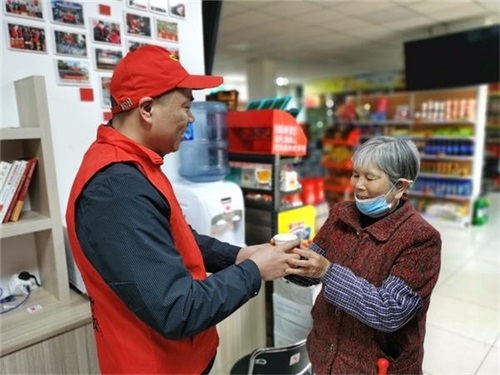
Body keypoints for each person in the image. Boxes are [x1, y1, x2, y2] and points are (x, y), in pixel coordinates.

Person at [65, 45, 300, 375]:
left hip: (182, 357)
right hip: (156, 365)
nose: (191, 118)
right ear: (147, 109)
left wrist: (241, 255)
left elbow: (177, 238)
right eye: (186, 107)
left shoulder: (138, 164)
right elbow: (177, 309)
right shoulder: (115, 189)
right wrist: (254, 271)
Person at [285, 136, 442, 374]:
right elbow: (312, 273)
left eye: (370, 177)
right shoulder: (340, 215)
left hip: (375, 365)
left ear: (400, 186)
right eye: (356, 174)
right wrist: (289, 261)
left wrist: (327, 271)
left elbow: (389, 311)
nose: (358, 185)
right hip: (324, 350)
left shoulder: (420, 239)